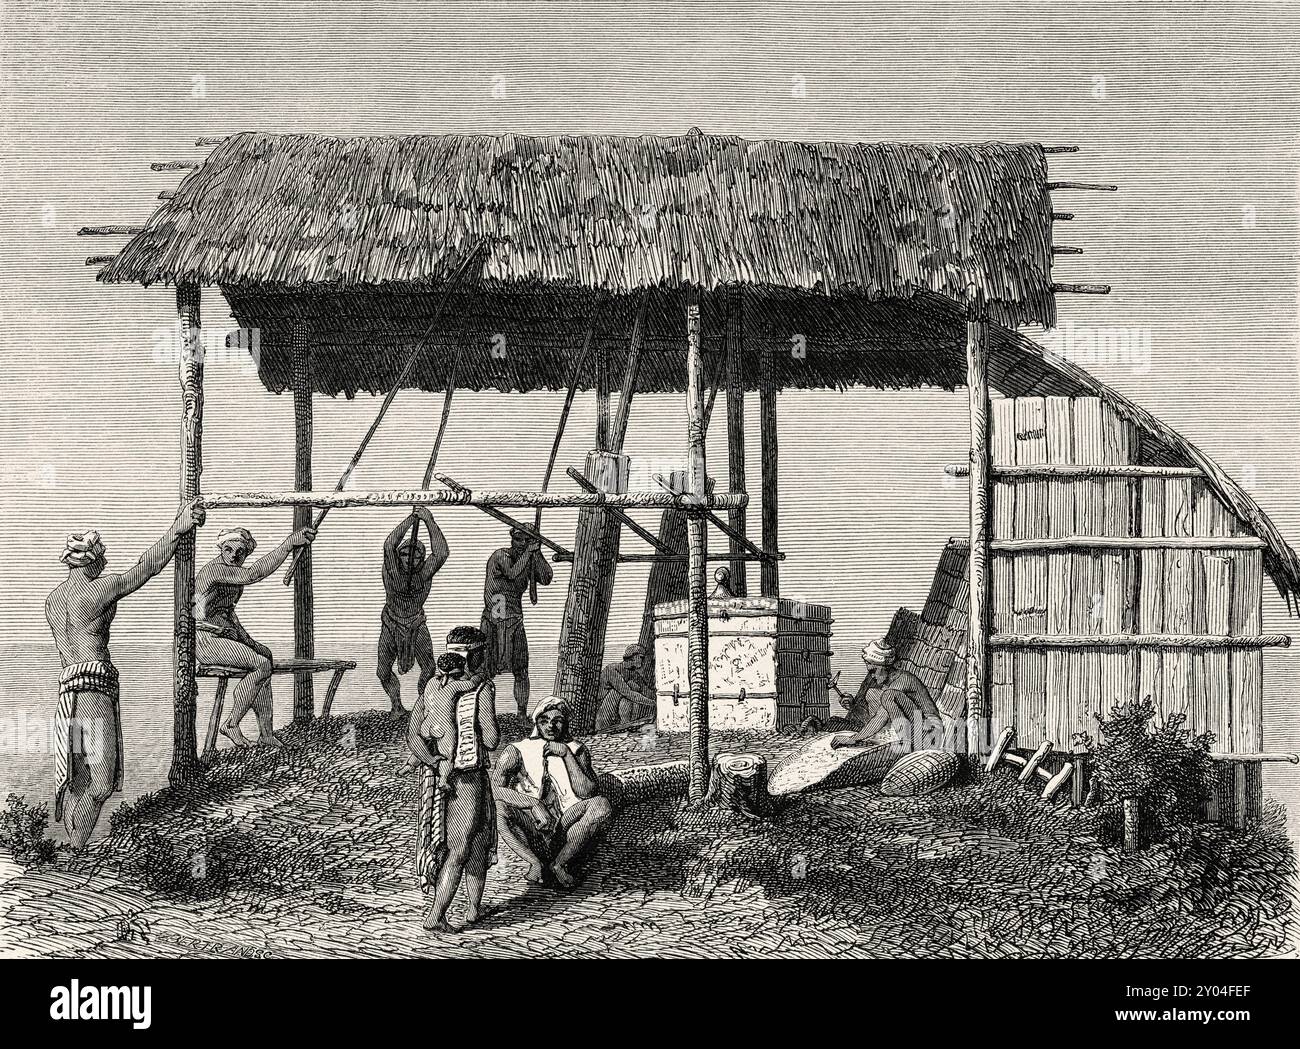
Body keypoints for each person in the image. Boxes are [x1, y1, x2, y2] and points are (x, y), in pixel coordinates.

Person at [44, 500, 205, 847]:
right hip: (93, 694)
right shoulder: (101, 588)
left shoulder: (53, 599)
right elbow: (145, 568)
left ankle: (74, 848)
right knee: (100, 783)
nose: (106, 561)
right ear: (93, 559)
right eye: (102, 555)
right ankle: (77, 850)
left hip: (67, 699)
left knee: (78, 777)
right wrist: (177, 529)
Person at [409, 626, 499, 933]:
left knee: (479, 838)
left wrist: (432, 757)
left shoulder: (432, 687)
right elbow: (490, 739)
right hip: (468, 775)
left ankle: (473, 908)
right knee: (462, 846)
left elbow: (415, 732)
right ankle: (436, 916)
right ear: (475, 656)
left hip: (437, 774)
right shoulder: (480, 688)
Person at [194, 524, 315, 749]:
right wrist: (289, 544)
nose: (233, 555)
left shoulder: (232, 577)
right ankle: (231, 723)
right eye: (228, 549)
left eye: (240, 551)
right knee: (260, 664)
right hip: (204, 639)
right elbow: (252, 574)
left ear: (247, 552)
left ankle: (266, 734)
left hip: (222, 636)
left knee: (265, 655)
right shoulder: (215, 570)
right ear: (221, 549)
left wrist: (248, 641)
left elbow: (228, 613)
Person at [492, 697, 614, 888]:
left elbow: (587, 792)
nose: (550, 726)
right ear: (537, 723)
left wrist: (566, 754)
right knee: (499, 809)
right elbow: (495, 789)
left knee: (601, 804)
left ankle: (560, 864)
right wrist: (533, 804)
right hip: (533, 824)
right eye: (544, 721)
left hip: (567, 825)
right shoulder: (516, 750)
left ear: (565, 723)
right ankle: (534, 862)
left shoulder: (577, 749)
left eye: (557, 721)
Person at [377, 508, 449, 714]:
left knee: (428, 668)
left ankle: (422, 706)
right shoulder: (392, 570)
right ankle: (397, 706)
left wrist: (429, 520)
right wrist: (411, 519)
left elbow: (442, 553)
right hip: (391, 623)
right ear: (398, 557)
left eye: (415, 555)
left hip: (416, 623)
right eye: (405, 554)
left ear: (422, 558)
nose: (409, 559)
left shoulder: (424, 573)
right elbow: (389, 544)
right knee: (383, 671)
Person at [813, 639, 940, 749]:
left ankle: (907, 744)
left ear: (885, 666)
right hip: (917, 727)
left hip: (930, 733)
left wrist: (852, 739)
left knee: (888, 696)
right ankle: (884, 738)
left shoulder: (903, 680)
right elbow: (871, 719)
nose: (872, 676)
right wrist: (854, 707)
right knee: (872, 693)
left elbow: (880, 716)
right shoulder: (890, 684)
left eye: (874, 671)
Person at [480, 526, 553, 717]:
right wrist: (529, 552)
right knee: (486, 670)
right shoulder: (501, 556)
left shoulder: (528, 557)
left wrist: (537, 554)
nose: (522, 544)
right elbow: (512, 573)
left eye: (527, 541)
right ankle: (484, 714)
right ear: (512, 539)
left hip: (515, 619)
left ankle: (521, 713)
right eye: (519, 540)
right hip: (495, 619)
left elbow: (546, 578)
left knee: (521, 669)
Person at [595, 643, 655, 731]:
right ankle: (622, 725)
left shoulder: (633, 673)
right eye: (641, 657)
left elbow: (646, 691)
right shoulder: (612, 669)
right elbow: (628, 694)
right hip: (604, 716)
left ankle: (627, 724)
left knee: (633, 687)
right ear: (633, 657)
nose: (643, 661)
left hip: (619, 715)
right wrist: (653, 703)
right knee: (627, 688)